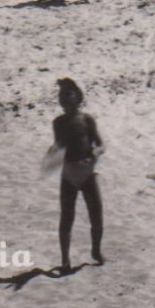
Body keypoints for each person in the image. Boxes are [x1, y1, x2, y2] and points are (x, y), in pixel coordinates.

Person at [44, 78, 105, 270]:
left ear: (78, 97)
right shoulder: (58, 122)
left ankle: (96, 250)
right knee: (67, 217)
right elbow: (61, 143)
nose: (63, 99)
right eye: (61, 95)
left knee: (96, 216)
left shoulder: (87, 120)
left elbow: (100, 144)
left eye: (67, 94)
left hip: (87, 172)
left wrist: (95, 153)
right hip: (69, 173)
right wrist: (54, 149)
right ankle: (65, 259)